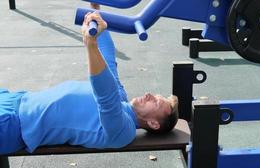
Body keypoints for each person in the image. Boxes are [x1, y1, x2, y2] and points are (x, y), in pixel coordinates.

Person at [0, 10, 179, 155]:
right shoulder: (122, 98)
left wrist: (90, 43)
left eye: (155, 101)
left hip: (14, 125)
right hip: (16, 99)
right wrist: (98, 17)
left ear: (154, 123)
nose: (149, 95)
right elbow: (108, 59)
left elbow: (106, 99)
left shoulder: (124, 132)